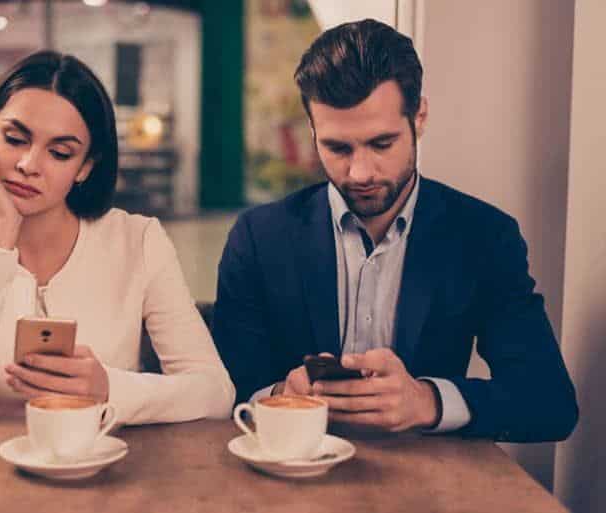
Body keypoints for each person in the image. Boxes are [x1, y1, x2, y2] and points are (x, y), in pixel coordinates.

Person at [212, 19, 578, 442]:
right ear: (312, 131)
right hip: (292, 469)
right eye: (337, 147)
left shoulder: (484, 237)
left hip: (427, 473)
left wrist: (427, 401)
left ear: (419, 117)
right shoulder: (259, 238)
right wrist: (280, 396)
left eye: (381, 144)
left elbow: (550, 403)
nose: (360, 172)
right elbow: (225, 392)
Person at [0, 51, 235, 423]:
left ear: (85, 167)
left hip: (105, 452)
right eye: (14, 139)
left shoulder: (138, 241)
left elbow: (215, 393)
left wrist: (108, 388)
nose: (29, 165)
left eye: (60, 153)